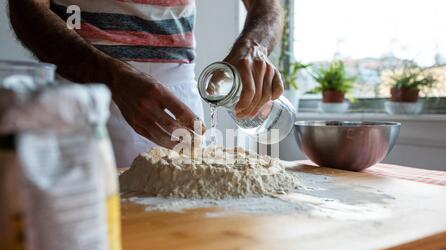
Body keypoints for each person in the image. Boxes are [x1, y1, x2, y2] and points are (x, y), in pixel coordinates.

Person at [8, 0, 284, 167]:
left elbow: (267, 6)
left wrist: (253, 45)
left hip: (180, 102)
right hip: (83, 98)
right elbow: (26, 8)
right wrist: (112, 77)